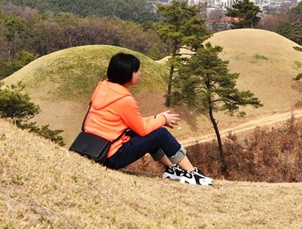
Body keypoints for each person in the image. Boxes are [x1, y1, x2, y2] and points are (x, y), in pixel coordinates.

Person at [84, 53, 212, 186]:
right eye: (136, 70)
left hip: (96, 150)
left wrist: (156, 118)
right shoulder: (124, 100)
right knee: (161, 134)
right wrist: (162, 119)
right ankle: (191, 173)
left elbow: (133, 122)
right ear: (127, 73)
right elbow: (143, 130)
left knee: (153, 131)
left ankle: (172, 169)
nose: (140, 73)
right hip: (111, 157)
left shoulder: (104, 90)